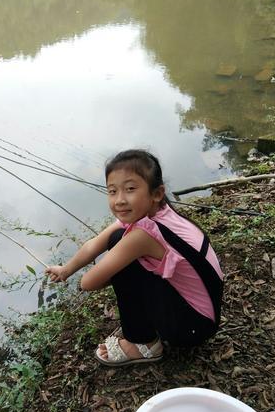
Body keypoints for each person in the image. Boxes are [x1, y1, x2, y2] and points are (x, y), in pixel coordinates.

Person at [46, 149, 224, 367]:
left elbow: (88, 283)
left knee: (124, 261)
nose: (120, 200)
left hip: (192, 329)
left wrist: (117, 272)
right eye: (112, 191)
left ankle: (143, 343)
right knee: (117, 240)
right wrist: (66, 269)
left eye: (130, 189)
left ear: (156, 193)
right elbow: (95, 243)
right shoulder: (158, 212)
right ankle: (147, 322)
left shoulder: (143, 235)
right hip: (205, 316)